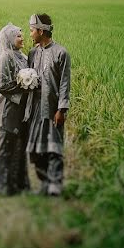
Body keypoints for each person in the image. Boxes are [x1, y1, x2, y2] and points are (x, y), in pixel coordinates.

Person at [25, 13, 71, 196]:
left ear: (41, 31)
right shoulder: (33, 53)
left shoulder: (61, 53)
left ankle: (55, 186)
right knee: (36, 150)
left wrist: (61, 109)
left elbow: (65, 83)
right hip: (34, 109)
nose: (30, 34)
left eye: (31, 30)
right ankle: (44, 183)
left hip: (52, 109)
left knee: (53, 149)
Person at [0, 23, 31, 196]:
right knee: (7, 144)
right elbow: (1, 85)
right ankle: (3, 185)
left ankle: (19, 183)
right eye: (18, 35)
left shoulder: (22, 56)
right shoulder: (6, 57)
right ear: (9, 39)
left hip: (23, 109)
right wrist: (21, 86)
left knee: (21, 146)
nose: (22, 38)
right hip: (10, 108)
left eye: (22, 35)